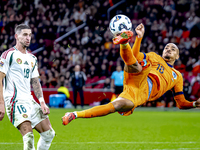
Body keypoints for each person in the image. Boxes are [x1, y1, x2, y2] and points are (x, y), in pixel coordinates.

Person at [62, 23, 200, 125]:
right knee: (139, 65)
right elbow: (134, 57)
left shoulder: (178, 76)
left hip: (138, 94)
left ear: (177, 55)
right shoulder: (154, 56)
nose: (168, 49)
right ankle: (124, 44)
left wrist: (194, 104)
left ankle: (74, 114)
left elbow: (181, 103)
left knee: (115, 106)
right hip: (142, 78)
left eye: (173, 48)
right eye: (166, 47)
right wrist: (139, 38)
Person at [0, 24, 55, 150]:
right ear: (16, 36)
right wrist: (1, 103)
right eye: (24, 34)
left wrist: (42, 102)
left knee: (49, 134)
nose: (28, 38)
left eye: (29, 35)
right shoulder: (8, 55)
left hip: (29, 100)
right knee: (29, 137)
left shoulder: (32, 58)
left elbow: (35, 82)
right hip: (14, 101)